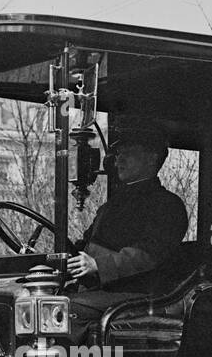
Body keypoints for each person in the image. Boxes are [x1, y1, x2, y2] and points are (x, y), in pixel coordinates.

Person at [66, 124, 188, 294]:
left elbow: (149, 255)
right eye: (119, 154)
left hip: (133, 294)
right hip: (97, 289)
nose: (119, 160)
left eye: (128, 153)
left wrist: (98, 265)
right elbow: (87, 244)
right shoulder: (112, 204)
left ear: (151, 159)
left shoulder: (167, 205)